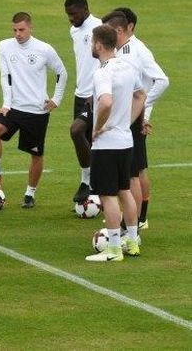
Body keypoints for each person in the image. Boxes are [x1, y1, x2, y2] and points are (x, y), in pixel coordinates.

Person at [0, 12, 67, 208]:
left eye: (21, 30)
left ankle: (30, 193)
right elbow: (5, 76)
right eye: (15, 30)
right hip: (13, 108)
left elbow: (62, 72)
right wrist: (6, 104)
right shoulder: (4, 46)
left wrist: (56, 99)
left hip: (37, 111)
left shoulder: (44, 49)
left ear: (30, 28)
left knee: (36, 154)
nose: (18, 34)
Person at [86, 25, 146, 262]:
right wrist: (128, 120)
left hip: (107, 144)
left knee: (107, 195)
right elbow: (141, 95)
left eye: (92, 42)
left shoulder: (102, 72)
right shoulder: (128, 67)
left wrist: (98, 128)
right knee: (125, 191)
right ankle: (132, 241)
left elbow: (106, 102)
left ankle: (113, 249)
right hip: (125, 140)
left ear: (99, 44)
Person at [103, 10, 168, 227]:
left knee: (133, 173)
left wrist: (142, 110)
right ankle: (137, 219)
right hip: (127, 117)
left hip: (131, 119)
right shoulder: (122, 50)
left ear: (123, 29)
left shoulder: (136, 50)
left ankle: (137, 221)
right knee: (134, 171)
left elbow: (161, 81)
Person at [64, 0, 102, 203]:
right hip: (80, 93)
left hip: (94, 95)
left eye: (74, 13)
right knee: (85, 140)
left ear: (85, 9)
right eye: (68, 15)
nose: (70, 18)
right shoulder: (74, 30)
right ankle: (88, 182)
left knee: (76, 130)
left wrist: (97, 91)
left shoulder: (99, 27)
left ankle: (90, 180)